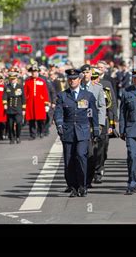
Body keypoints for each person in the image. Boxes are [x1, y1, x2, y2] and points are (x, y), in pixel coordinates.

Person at [54, 68, 99, 198]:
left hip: (83, 131)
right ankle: (73, 186)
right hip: (68, 132)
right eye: (70, 79)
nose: (72, 81)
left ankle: (83, 185)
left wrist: (95, 129)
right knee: (69, 160)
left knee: (81, 156)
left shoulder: (88, 95)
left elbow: (93, 113)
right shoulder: (62, 95)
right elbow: (58, 112)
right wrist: (59, 124)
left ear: (79, 79)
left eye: (74, 79)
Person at [80, 64, 106, 188]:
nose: (86, 75)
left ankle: (89, 178)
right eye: (84, 73)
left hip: (92, 125)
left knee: (91, 153)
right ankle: (79, 179)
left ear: (91, 74)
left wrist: (100, 124)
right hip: (79, 124)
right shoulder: (77, 87)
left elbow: (101, 106)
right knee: (79, 153)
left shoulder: (98, 88)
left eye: (88, 72)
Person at [24, 64, 50, 139]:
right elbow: (25, 92)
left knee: (41, 119)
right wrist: (25, 102)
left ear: (38, 72)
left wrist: (46, 104)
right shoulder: (28, 81)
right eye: (32, 72)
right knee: (31, 120)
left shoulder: (42, 81)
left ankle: (41, 131)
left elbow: (45, 92)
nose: (34, 73)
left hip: (40, 103)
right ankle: (32, 134)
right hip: (30, 103)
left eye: (35, 72)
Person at [3, 70, 25, 144]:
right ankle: (11, 138)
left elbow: (23, 97)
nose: (12, 80)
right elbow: (4, 96)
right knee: (10, 125)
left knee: (19, 123)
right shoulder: (7, 87)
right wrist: (5, 104)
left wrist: (24, 108)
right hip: (10, 108)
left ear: (16, 79)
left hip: (18, 108)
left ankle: (18, 136)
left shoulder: (20, 86)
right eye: (11, 79)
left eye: (14, 79)